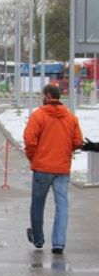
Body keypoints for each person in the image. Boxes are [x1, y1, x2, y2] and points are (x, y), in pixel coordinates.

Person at [23, 84, 83, 254]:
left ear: (48, 96)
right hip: (62, 169)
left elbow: (29, 139)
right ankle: (59, 243)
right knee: (62, 205)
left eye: (43, 95)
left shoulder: (38, 115)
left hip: (42, 167)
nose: (42, 98)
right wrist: (64, 152)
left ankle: (38, 239)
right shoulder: (71, 118)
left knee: (37, 204)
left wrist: (33, 157)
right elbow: (78, 141)